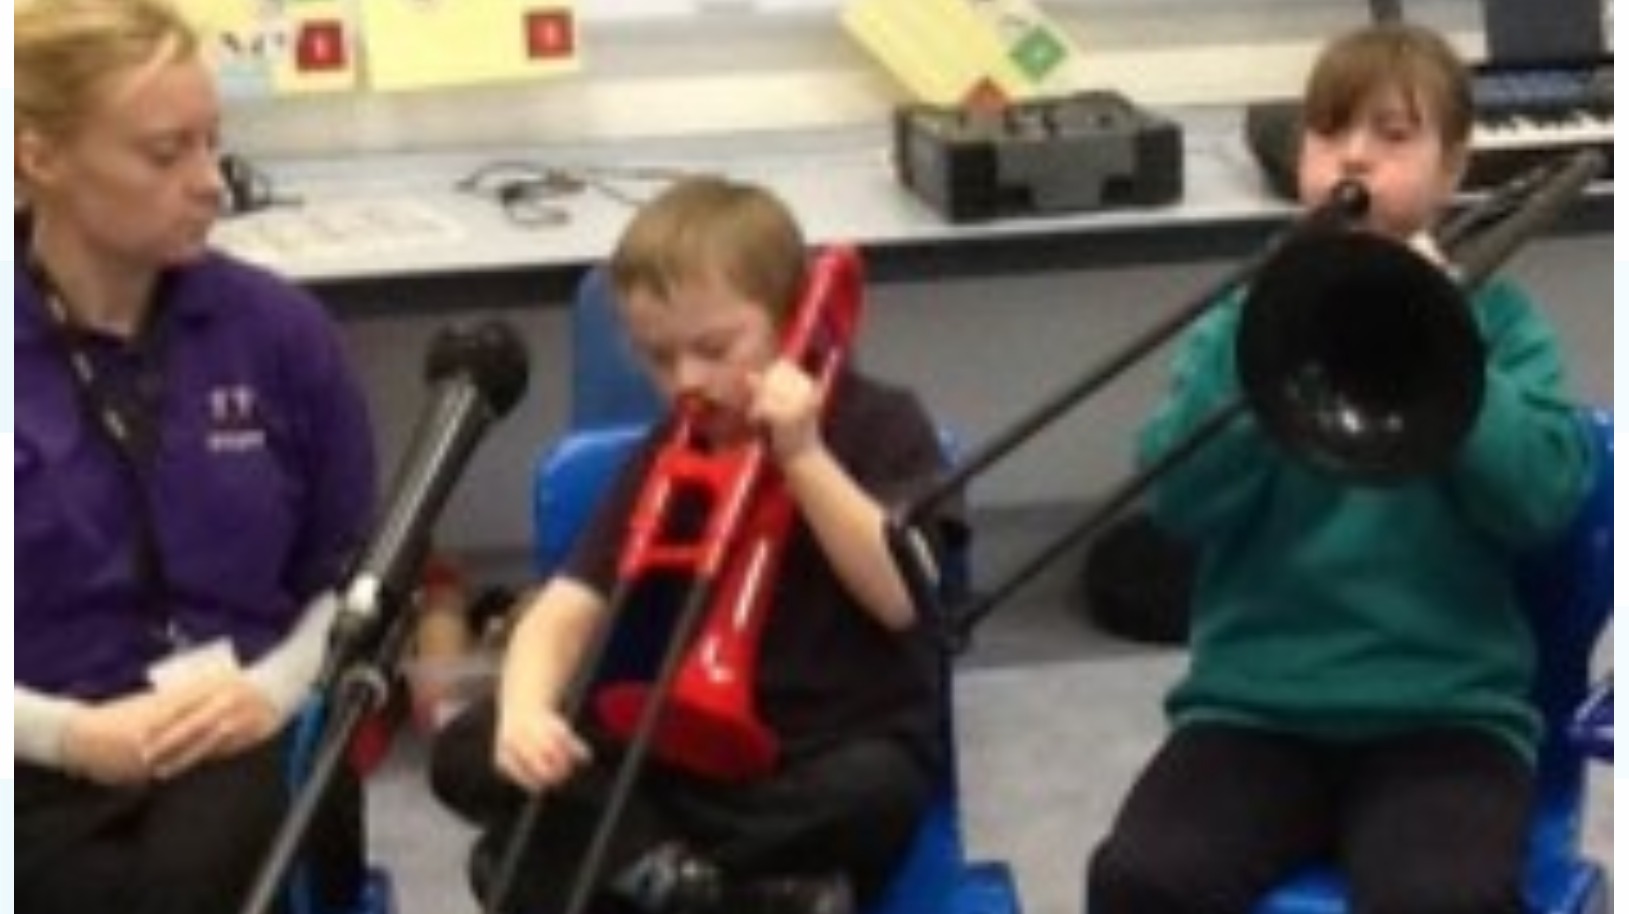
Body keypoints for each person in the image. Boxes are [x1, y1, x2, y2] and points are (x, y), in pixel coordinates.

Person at [1085, 22, 1598, 914]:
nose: (1352, 156)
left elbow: (1543, 500)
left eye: (1392, 136)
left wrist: (1447, 334)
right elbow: (1178, 501)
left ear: (1450, 168)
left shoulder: (1500, 322)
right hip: (1254, 712)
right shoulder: (1242, 320)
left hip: (1443, 717)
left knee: (1441, 899)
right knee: (1139, 879)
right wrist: (1264, 342)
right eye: (1327, 131)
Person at [429, 175, 959, 914]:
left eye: (714, 348)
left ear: (794, 320)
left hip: (831, 748)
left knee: (878, 792)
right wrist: (524, 714)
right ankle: (721, 891)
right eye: (658, 356)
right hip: (686, 757)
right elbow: (562, 612)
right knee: (467, 749)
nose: (687, 380)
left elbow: (899, 599)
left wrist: (804, 457)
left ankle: (633, 868)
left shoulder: (883, 424)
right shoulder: (669, 449)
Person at [15, 2, 377, 912]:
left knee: (198, 869)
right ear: (39, 157)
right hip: (35, 742)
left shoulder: (279, 332)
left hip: (246, 727)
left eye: (214, 144)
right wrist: (66, 735)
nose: (211, 183)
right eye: (164, 154)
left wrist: (270, 693)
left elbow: (357, 580)